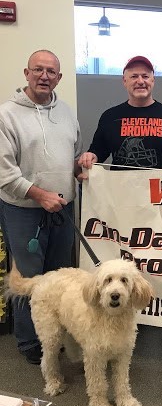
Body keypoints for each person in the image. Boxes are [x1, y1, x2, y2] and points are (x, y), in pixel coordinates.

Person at [78, 55, 162, 340]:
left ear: (153, 81)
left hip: (159, 205)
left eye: (146, 76)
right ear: (124, 80)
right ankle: (128, 311)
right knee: (124, 257)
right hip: (121, 204)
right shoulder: (110, 117)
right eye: (134, 76)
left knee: (161, 257)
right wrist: (90, 158)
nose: (140, 81)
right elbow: (97, 152)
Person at [0, 49, 82, 365]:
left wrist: (81, 166)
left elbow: (73, 155)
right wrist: (38, 194)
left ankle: (54, 335)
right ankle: (29, 342)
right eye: (38, 70)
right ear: (26, 73)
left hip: (61, 209)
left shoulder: (67, 113)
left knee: (59, 276)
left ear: (59, 78)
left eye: (51, 71)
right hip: (23, 210)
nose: (44, 76)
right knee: (28, 278)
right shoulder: (6, 115)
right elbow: (4, 173)